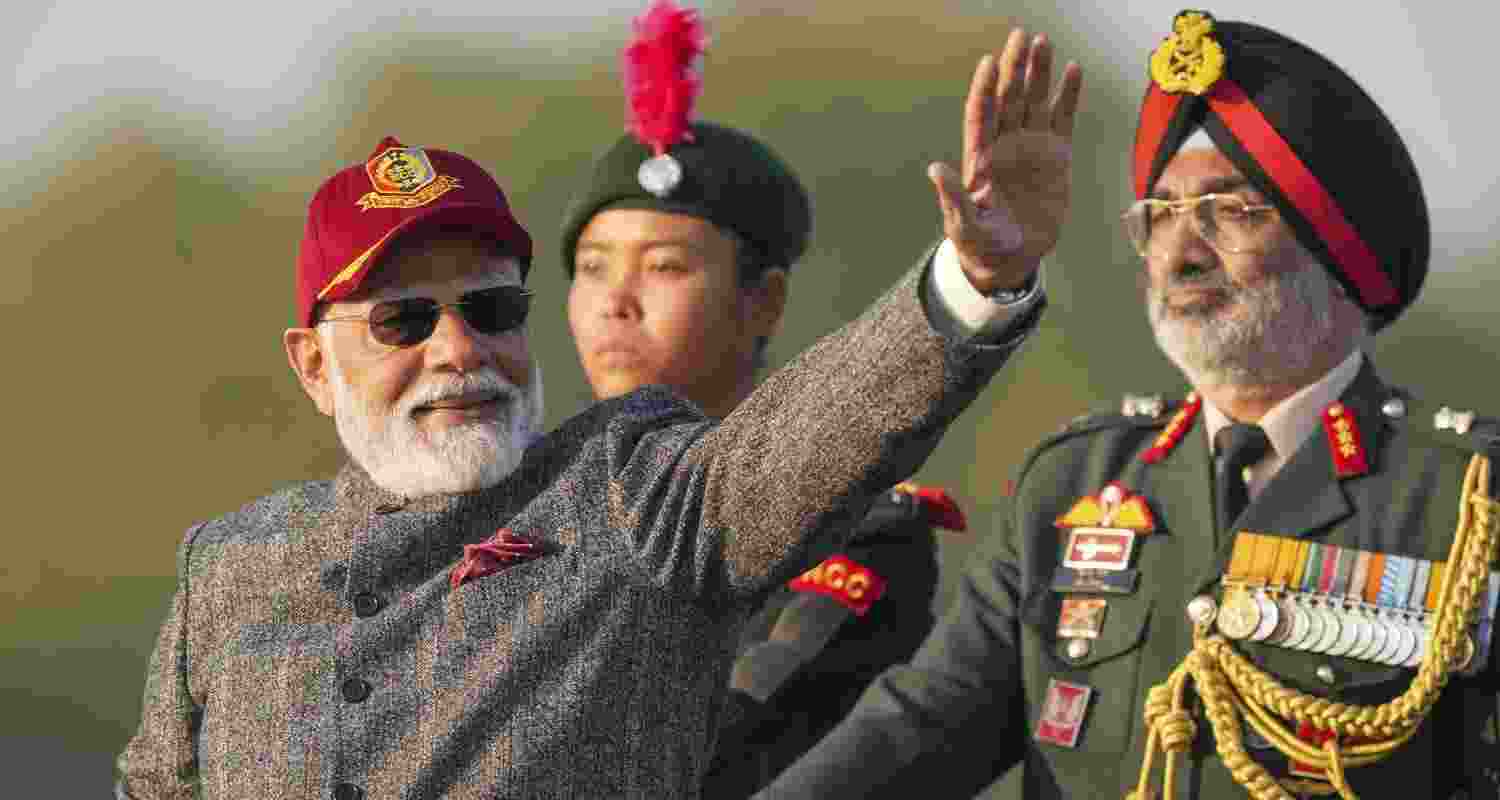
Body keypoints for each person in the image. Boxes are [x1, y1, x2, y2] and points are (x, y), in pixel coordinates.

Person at [111, 11, 1081, 797]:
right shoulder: (230, 565)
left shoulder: (625, 491)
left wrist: (973, 278)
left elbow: (809, 430)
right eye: (404, 321)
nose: (457, 350)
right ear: (313, 364)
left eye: (489, 309)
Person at [759, 12, 1500, 800]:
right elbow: (918, 729)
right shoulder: (1077, 483)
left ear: (1337, 246)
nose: (1180, 253)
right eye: (1161, 216)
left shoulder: (1464, 496)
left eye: (1230, 210)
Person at [558, 104, 982, 796]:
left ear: (764, 302)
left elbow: (728, 741)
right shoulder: (523, 520)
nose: (616, 302)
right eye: (591, 268)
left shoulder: (856, 534)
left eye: (663, 267)